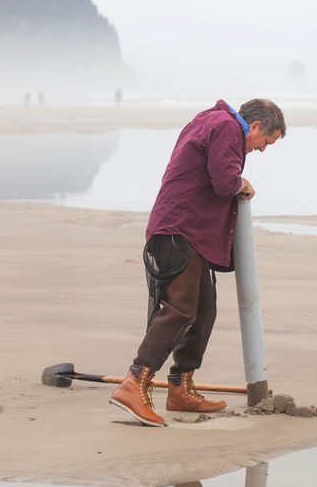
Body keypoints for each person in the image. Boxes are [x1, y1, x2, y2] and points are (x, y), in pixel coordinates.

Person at [109, 99, 286, 427]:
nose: (262, 150)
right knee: (180, 309)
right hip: (179, 231)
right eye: (266, 142)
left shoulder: (217, 123)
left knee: (204, 311)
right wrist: (242, 184)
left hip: (189, 234)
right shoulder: (225, 127)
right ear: (257, 127)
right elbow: (223, 182)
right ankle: (135, 383)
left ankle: (180, 388)